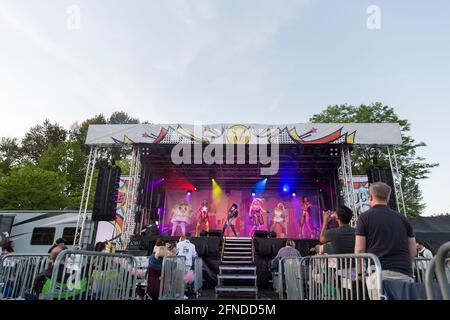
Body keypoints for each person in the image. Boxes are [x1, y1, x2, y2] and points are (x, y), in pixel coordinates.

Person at [355, 182, 416, 282]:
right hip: (405, 273)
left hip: (378, 274)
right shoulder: (402, 218)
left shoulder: (364, 217)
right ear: (387, 198)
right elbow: (413, 251)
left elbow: (359, 250)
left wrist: (360, 274)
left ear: (370, 197)